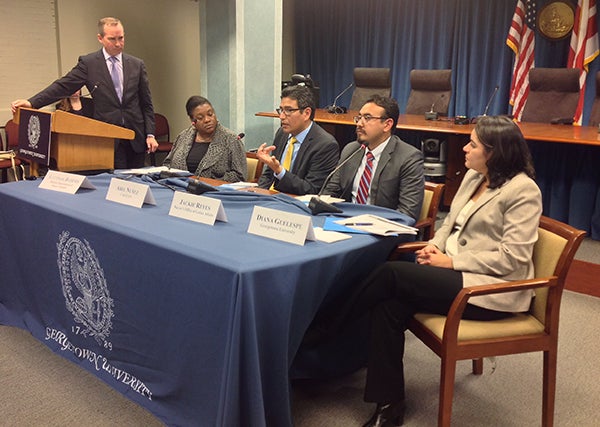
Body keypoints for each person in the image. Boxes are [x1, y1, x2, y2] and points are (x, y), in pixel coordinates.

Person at [307, 115, 543, 426]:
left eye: (472, 144)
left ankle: (323, 329)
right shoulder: (473, 177)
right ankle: (389, 406)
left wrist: (452, 262)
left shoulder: (524, 191)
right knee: (388, 305)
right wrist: (436, 246)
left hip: (490, 291)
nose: (465, 149)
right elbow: (450, 225)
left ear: (494, 152)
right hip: (455, 277)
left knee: (391, 273)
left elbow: (513, 259)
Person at [11, 17, 158, 169]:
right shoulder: (89, 64)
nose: (118, 44)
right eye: (112, 39)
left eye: (121, 38)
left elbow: (146, 103)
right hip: (108, 138)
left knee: (139, 183)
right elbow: (62, 86)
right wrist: (32, 102)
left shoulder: (136, 64)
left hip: (136, 137)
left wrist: (150, 134)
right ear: (100, 38)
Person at [321, 95, 424, 221]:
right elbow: (331, 192)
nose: (359, 124)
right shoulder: (351, 150)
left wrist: (368, 225)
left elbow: (408, 213)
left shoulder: (409, 158)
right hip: (345, 222)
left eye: (367, 118)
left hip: (383, 229)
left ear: (387, 125)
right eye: (359, 118)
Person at [256, 85, 339, 195]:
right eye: (281, 110)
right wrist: (257, 194)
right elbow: (269, 174)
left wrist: (280, 172)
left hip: (296, 204)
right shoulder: (282, 133)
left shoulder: (325, 145)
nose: (281, 116)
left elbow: (312, 190)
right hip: (271, 199)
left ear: (306, 113)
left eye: (288, 110)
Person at [162, 96, 246, 182]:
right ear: (193, 121)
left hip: (213, 191)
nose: (207, 120)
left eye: (210, 114)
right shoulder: (183, 136)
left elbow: (240, 176)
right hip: (178, 187)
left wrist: (207, 182)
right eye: (200, 118)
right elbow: (168, 164)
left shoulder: (231, 139)